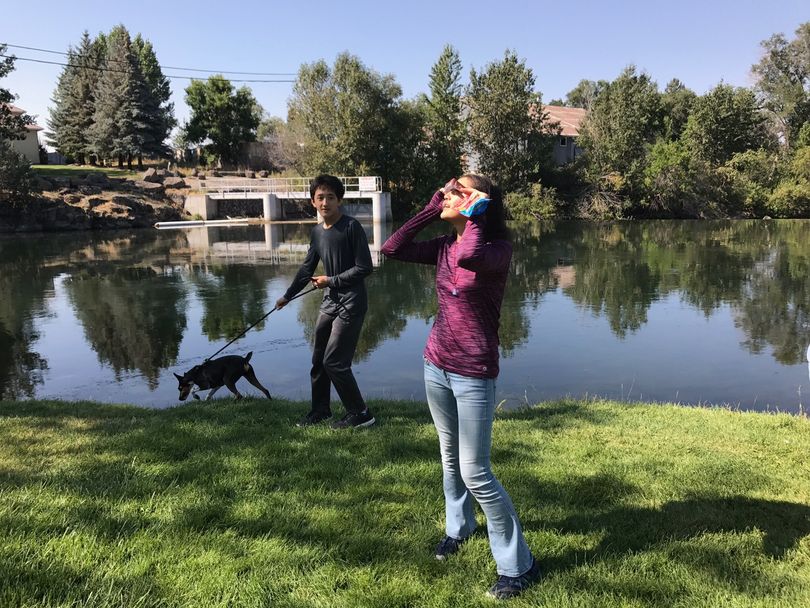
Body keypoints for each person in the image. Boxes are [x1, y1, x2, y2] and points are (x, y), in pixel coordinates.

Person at [380, 174, 540, 600]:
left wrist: (474, 214)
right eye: (448, 189)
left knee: (476, 470)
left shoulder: (495, 251)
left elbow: (471, 256)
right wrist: (433, 208)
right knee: (448, 457)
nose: (447, 194)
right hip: (436, 364)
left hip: (473, 372)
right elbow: (390, 248)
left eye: (457, 190)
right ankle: (460, 527)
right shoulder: (443, 247)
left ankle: (519, 565)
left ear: (481, 203)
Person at [276, 174, 375, 429]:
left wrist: (330, 281)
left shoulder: (352, 227)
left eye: (331, 197)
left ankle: (360, 413)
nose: (325, 202)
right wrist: (288, 296)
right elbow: (307, 268)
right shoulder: (317, 232)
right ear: (313, 202)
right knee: (319, 359)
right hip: (330, 303)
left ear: (339, 200)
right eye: (320, 197)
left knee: (335, 362)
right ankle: (320, 410)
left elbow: (365, 268)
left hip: (351, 303)